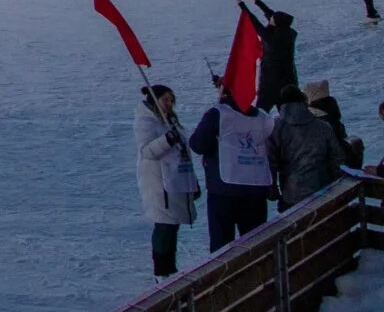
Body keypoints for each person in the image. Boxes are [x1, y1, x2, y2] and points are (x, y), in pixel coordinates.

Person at [190, 77, 277, 251]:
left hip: (225, 188)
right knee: (256, 245)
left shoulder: (218, 113)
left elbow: (197, 144)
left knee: (222, 248)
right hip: (256, 187)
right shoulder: (261, 117)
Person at [137, 83, 199, 277]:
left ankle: (169, 267)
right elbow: (146, 151)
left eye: (172, 100)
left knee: (172, 225)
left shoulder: (170, 121)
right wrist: (167, 140)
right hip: (159, 183)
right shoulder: (146, 122)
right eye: (166, 100)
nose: (170, 104)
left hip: (176, 179)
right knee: (164, 224)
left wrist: (192, 182)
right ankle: (162, 270)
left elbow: (183, 153)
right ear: (155, 100)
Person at [268, 86, 350, 210]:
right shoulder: (323, 126)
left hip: (292, 193)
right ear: (304, 101)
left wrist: (272, 190)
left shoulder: (275, 128)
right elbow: (337, 158)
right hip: (322, 190)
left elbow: (270, 163)